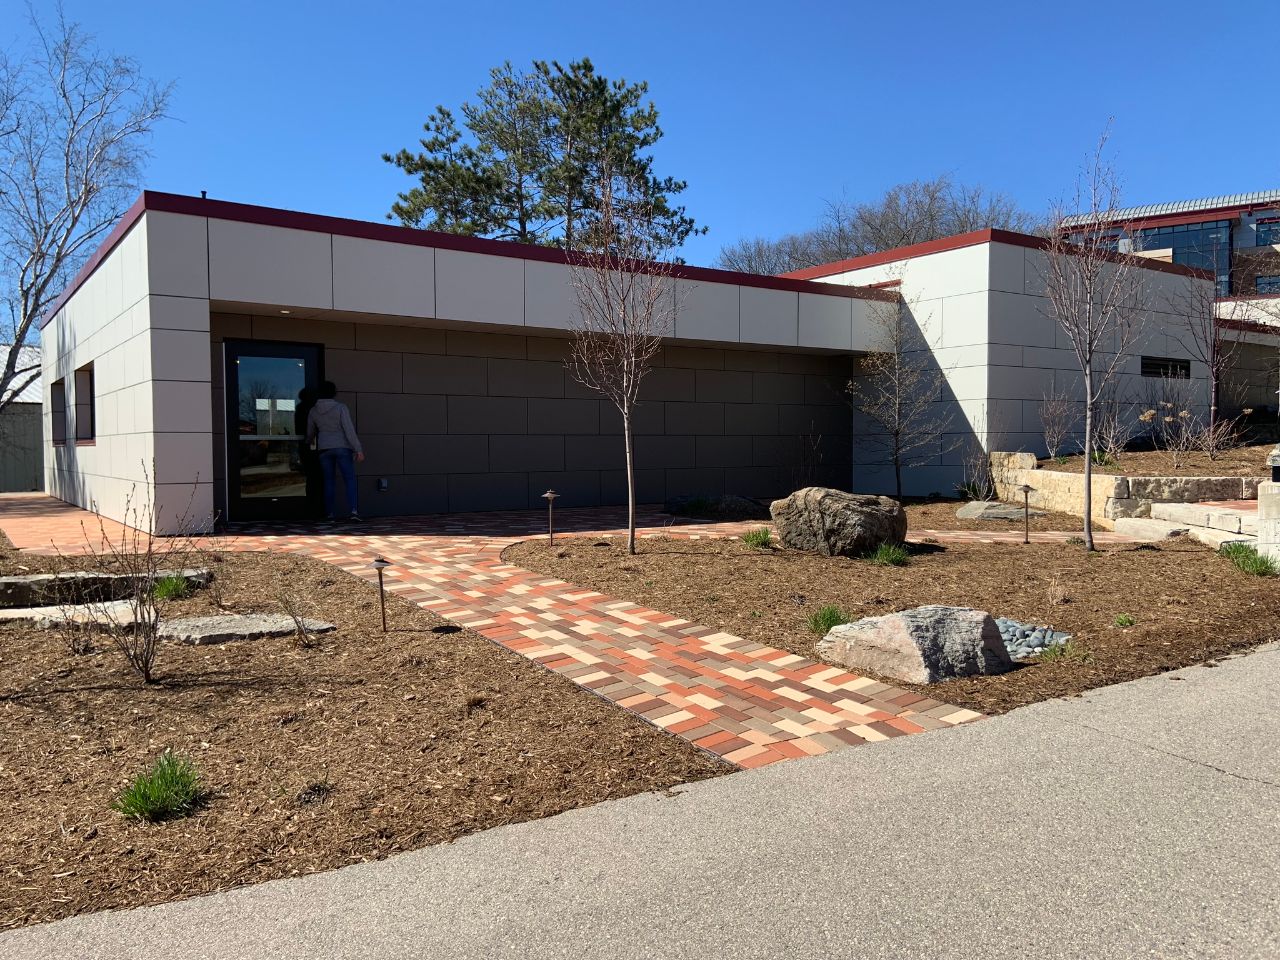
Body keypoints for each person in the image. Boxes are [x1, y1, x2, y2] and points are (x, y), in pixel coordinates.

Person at [306, 381, 364, 522]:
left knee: (329, 481)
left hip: (324, 449)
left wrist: (308, 443)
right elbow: (348, 430)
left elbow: (310, 432)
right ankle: (353, 512)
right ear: (334, 392)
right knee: (349, 479)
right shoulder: (340, 408)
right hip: (342, 447)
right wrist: (358, 449)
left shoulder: (313, 410)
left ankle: (330, 514)